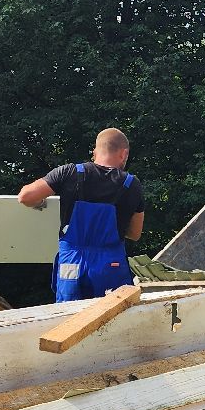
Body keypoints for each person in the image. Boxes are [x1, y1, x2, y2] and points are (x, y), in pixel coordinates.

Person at [17, 128, 146, 301]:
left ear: (95, 152)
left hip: (71, 263)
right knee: (112, 318)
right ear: (124, 154)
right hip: (110, 266)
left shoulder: (69, 173)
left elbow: (25, 197)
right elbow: (135, 234)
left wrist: (39, 203)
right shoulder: (132, 184)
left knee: (68, 318)